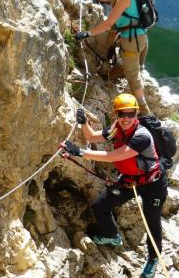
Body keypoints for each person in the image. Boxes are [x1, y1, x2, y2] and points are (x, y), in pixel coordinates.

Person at [60, 93, 168, 278]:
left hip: (153, 184)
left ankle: (153, 259)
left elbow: (113, 157)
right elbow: (92, 137)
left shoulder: (141, 137)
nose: (126, 118)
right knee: (100, 206)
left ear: (136, 114)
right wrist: (83, 122)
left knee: (152, 223)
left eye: (130, 114)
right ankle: (112, 236)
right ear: (116, 114)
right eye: (122, 114)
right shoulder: (117, 129)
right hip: (130, 180)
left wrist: (78, 152)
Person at [75, 0, 150, 114]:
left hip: (132, 42)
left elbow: (109, 24)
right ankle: (114, 72)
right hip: (138, 38)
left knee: (133, 79)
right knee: (133, 70)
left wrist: (87, 33)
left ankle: (146, 112)